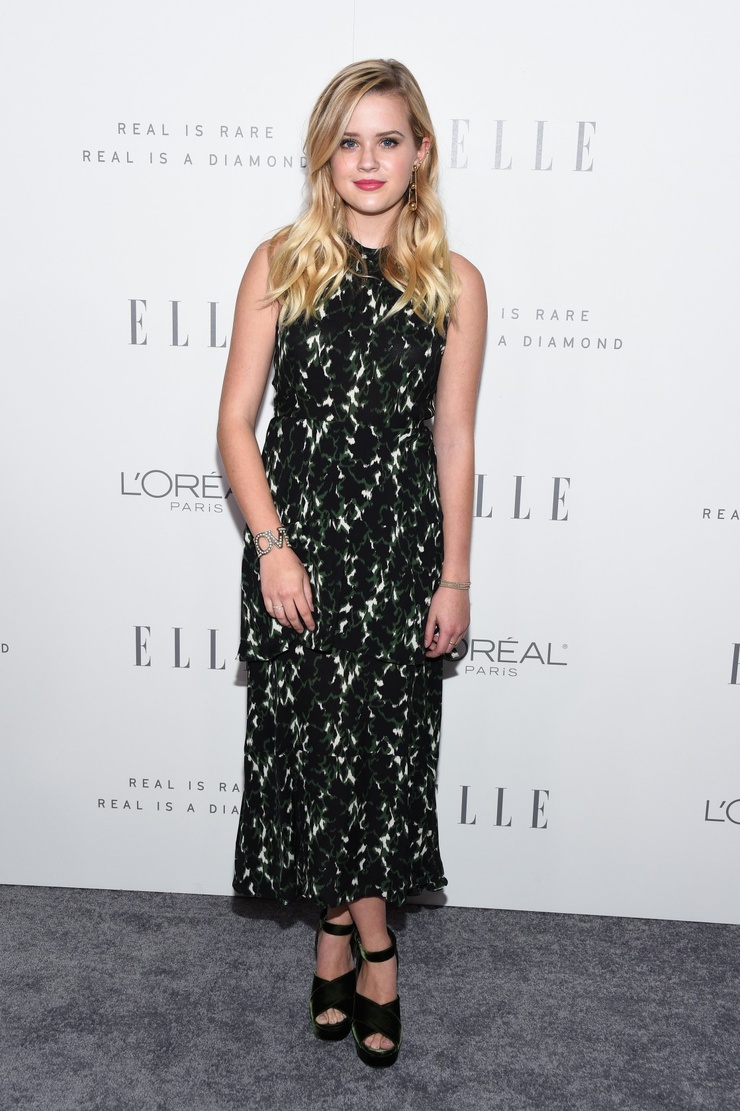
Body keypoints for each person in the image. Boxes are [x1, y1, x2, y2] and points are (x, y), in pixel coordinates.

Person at [217, 58, 486, 1068]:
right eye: (348, 142)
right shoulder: (280, 263)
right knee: (313, 760)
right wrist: (271, 549)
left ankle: (346, 932)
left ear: (420, 154)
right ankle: (370, 941)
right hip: (300, 557)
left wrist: (454, 575)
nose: (367, 160)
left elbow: (452, 438)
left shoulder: (455, 284)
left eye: (388, 140)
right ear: (324, 157)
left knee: (379, 761)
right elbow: (236, 426)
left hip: (399, 560)